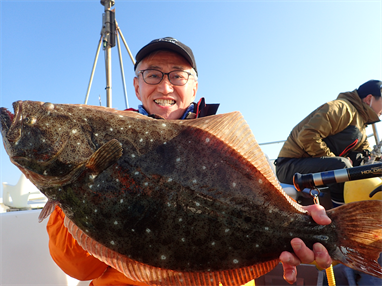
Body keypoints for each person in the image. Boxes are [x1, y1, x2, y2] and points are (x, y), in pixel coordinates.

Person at [47, 37, 333, 286]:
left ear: (194, 86)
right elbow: (80, 268)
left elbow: (266, 200)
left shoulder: (225, 150)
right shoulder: (101, 142)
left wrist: (300, 222)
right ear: (137, 86)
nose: (166, 87)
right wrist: (78, 196)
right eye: (153, 75)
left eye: (178, 76)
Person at [275, 80, 382, 207]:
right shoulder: (342, 108)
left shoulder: (361, 124)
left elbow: (365, 153)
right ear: (369, 98)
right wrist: (332, 159)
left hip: (313, 164)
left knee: (361, 164)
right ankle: (339, 213)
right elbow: (307, 135)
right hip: (289, 166)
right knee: (342, 166)